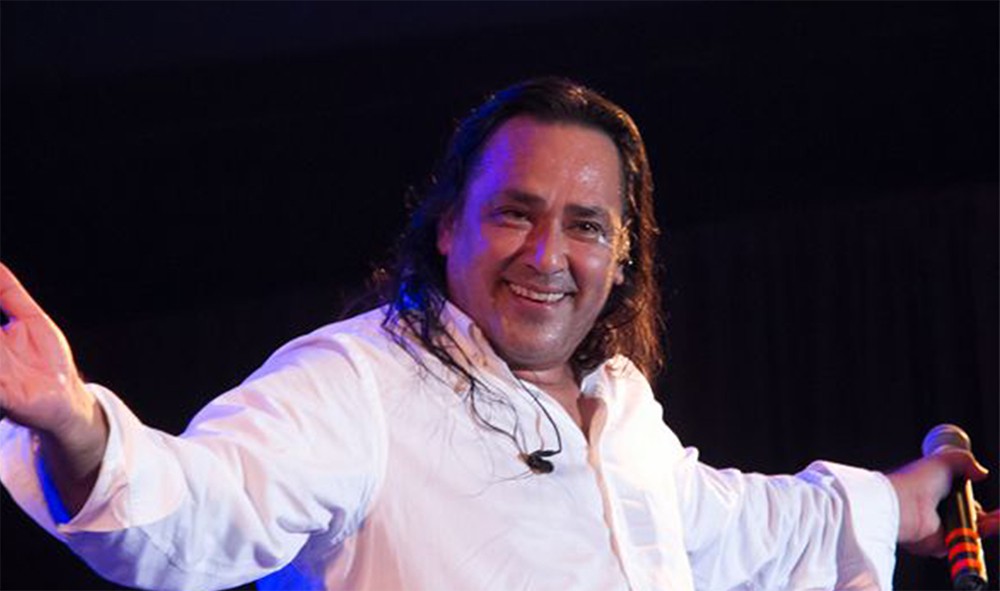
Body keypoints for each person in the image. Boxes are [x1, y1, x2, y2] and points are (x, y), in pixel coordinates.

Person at [0, 78, 995, 590]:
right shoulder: (358, 382)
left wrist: (899, 503)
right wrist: (77, 426)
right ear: (447, 227)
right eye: (516, 213)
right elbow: (203, 502)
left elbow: (743, 526)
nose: (547, 254)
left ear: (621, 258)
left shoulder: (622, 419)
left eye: (586, 226)